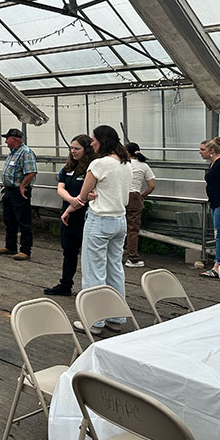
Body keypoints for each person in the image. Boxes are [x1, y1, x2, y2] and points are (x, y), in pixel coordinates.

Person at [62, 125, 132, 336]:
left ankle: (94, 321)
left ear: (102, 141)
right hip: (120, 220)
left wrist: (68, 210)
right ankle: (116, 317)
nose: (91, 143)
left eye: (94, 139)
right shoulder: (126, 163)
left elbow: (83, 196)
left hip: (100, 220)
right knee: (115, 269)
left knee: (94, 270)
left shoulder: (99, 164)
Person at [44, 135, 94, 296]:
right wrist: (72, 200)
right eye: (71, 148)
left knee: (88, 254)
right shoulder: (67, 168)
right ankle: (65, 284)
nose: (73, 151)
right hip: (68, 215)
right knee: (69, 251)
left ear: (86, 150)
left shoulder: (91, 169)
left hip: (85, 216)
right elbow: (60, 188)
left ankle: (91, 289)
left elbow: (88, 194)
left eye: (77, 148)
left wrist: (76, 202)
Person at [0, 128, 37, 261]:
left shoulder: (25, 152)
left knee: (23, 220)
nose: (6, 141)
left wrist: (23, 186)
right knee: (9, 219)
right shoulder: (13, 153)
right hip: (9, 190)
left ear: (14, 139)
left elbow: (31, 172)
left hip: (20, 192)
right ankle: (10, 246)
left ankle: (25, 250)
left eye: (7, 138)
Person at [124, 142, 156, 268]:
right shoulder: (143, 166)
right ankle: (132, 258)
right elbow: (151, 186)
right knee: (133, 228)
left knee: (118, 225)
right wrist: (141, 196)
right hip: (134, 196)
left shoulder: (122, 164)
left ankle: (115, 253)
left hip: (119, 196)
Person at [199, 136, 220, 279]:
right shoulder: (214, 163)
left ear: (211, 151)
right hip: (216, 203)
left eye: (202, 150)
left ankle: (219, 266)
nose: (200, 152)